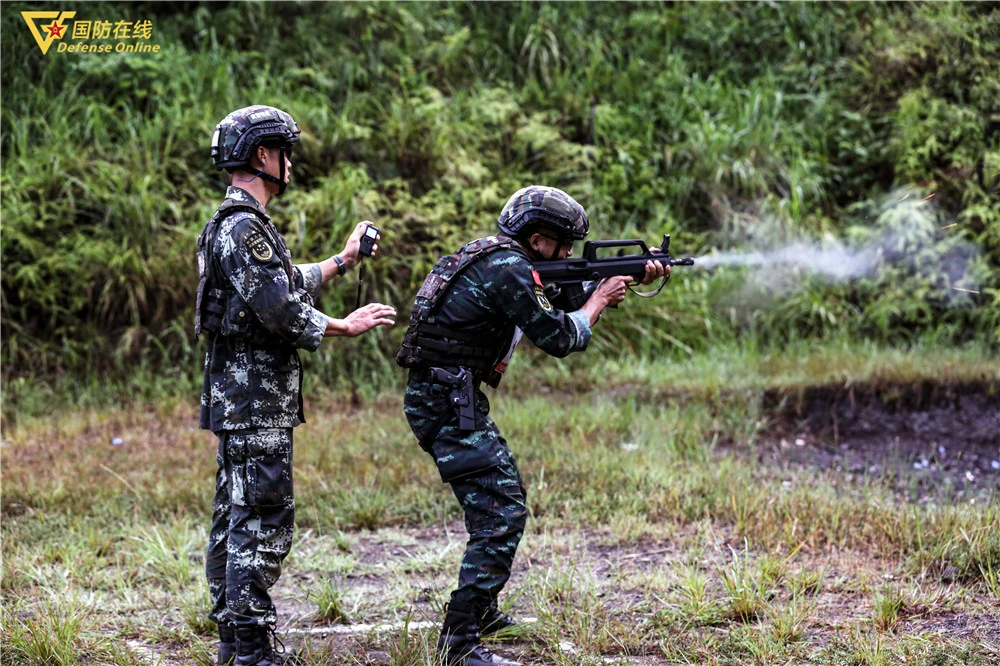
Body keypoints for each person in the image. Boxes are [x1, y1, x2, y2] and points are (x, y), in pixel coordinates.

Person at [396, 185, 667, 666]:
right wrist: (599, 300)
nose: (567, 253)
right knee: (502, 512)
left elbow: (554, 296)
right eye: (563, 244)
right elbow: (562, 336)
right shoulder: (509, 270)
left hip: (445, 395)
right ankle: (458, 644)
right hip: (446, 401)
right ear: (539, 239)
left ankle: (482, 612)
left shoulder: (491, 257)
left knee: (497, 501)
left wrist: (617, 279)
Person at [196, 105, 396, 666]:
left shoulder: (234, 225)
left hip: (241, 400)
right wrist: (343, 323)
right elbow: (280, 308)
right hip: (255, 401)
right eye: (284, 152)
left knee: (236, 515)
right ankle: (254, 651)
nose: (289, 163)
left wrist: (342, 260)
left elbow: (281, 280)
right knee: (260, 518)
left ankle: (235, 644)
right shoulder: (243, 227)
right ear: (264, 155)